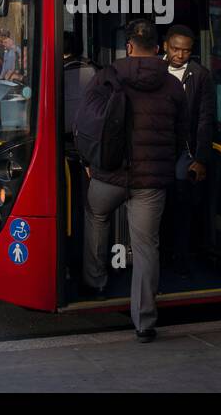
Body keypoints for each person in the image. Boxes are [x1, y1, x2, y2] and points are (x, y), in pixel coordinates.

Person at [81, 18, 189, 341]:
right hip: (150, 183)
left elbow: (87, 123)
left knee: (96, 213)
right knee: (145, 246)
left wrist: (91, 162)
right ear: (158, 49)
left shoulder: (108, 76)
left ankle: (96, 282)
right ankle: (143, 322)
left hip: (110, 174)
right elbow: (181, 132)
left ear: (128, 47)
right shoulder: (172, 86)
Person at [161, 24, 213, 278]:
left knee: (182, 204)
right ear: (165, 46)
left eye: (186, 51)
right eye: (175, 49)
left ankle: (180, 259)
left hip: (185, 150)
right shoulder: (155, 70)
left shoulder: (199, 75)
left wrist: (201, 158)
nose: (180, 55)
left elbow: (205, 119)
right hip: (158, 148)